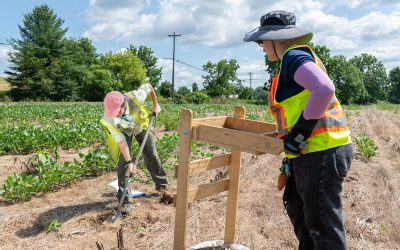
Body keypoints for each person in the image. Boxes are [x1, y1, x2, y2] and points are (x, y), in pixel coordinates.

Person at [243, 10, 353, 250]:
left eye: (262, 41)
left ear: (275, 39)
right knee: (304, 219)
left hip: (320, 152)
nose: (261, 46)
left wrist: (301, 133)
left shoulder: (293, 57)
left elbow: (324, 89)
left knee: (322, 229)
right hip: (314, 152)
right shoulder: (293, 60)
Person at [100, 83, 170, 213]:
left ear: (123, 104)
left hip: (140, 125)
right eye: (112, 113)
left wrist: (155, 105)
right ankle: (125, 201)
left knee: (151, 154)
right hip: (123, 131)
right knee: (123, 164)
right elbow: (122, 143)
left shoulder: (136, 97)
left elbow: (149, 86)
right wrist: (129, 162)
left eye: (117, 112)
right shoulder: (109, 119)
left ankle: (162, 186)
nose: (115, 115)